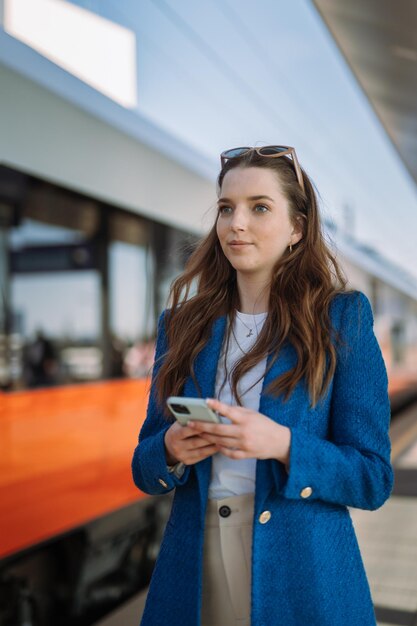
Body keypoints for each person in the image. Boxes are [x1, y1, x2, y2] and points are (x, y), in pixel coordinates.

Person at [131, 145, 394, 626]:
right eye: (226, 208)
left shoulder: (341, 320)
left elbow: (373, 478)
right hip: (196, 564)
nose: (237, 223)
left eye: (260, 207)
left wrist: (283, 444)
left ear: (297, 228)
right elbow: (144, 465)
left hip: (302, 572)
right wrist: (169, 447)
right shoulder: (182, 324)